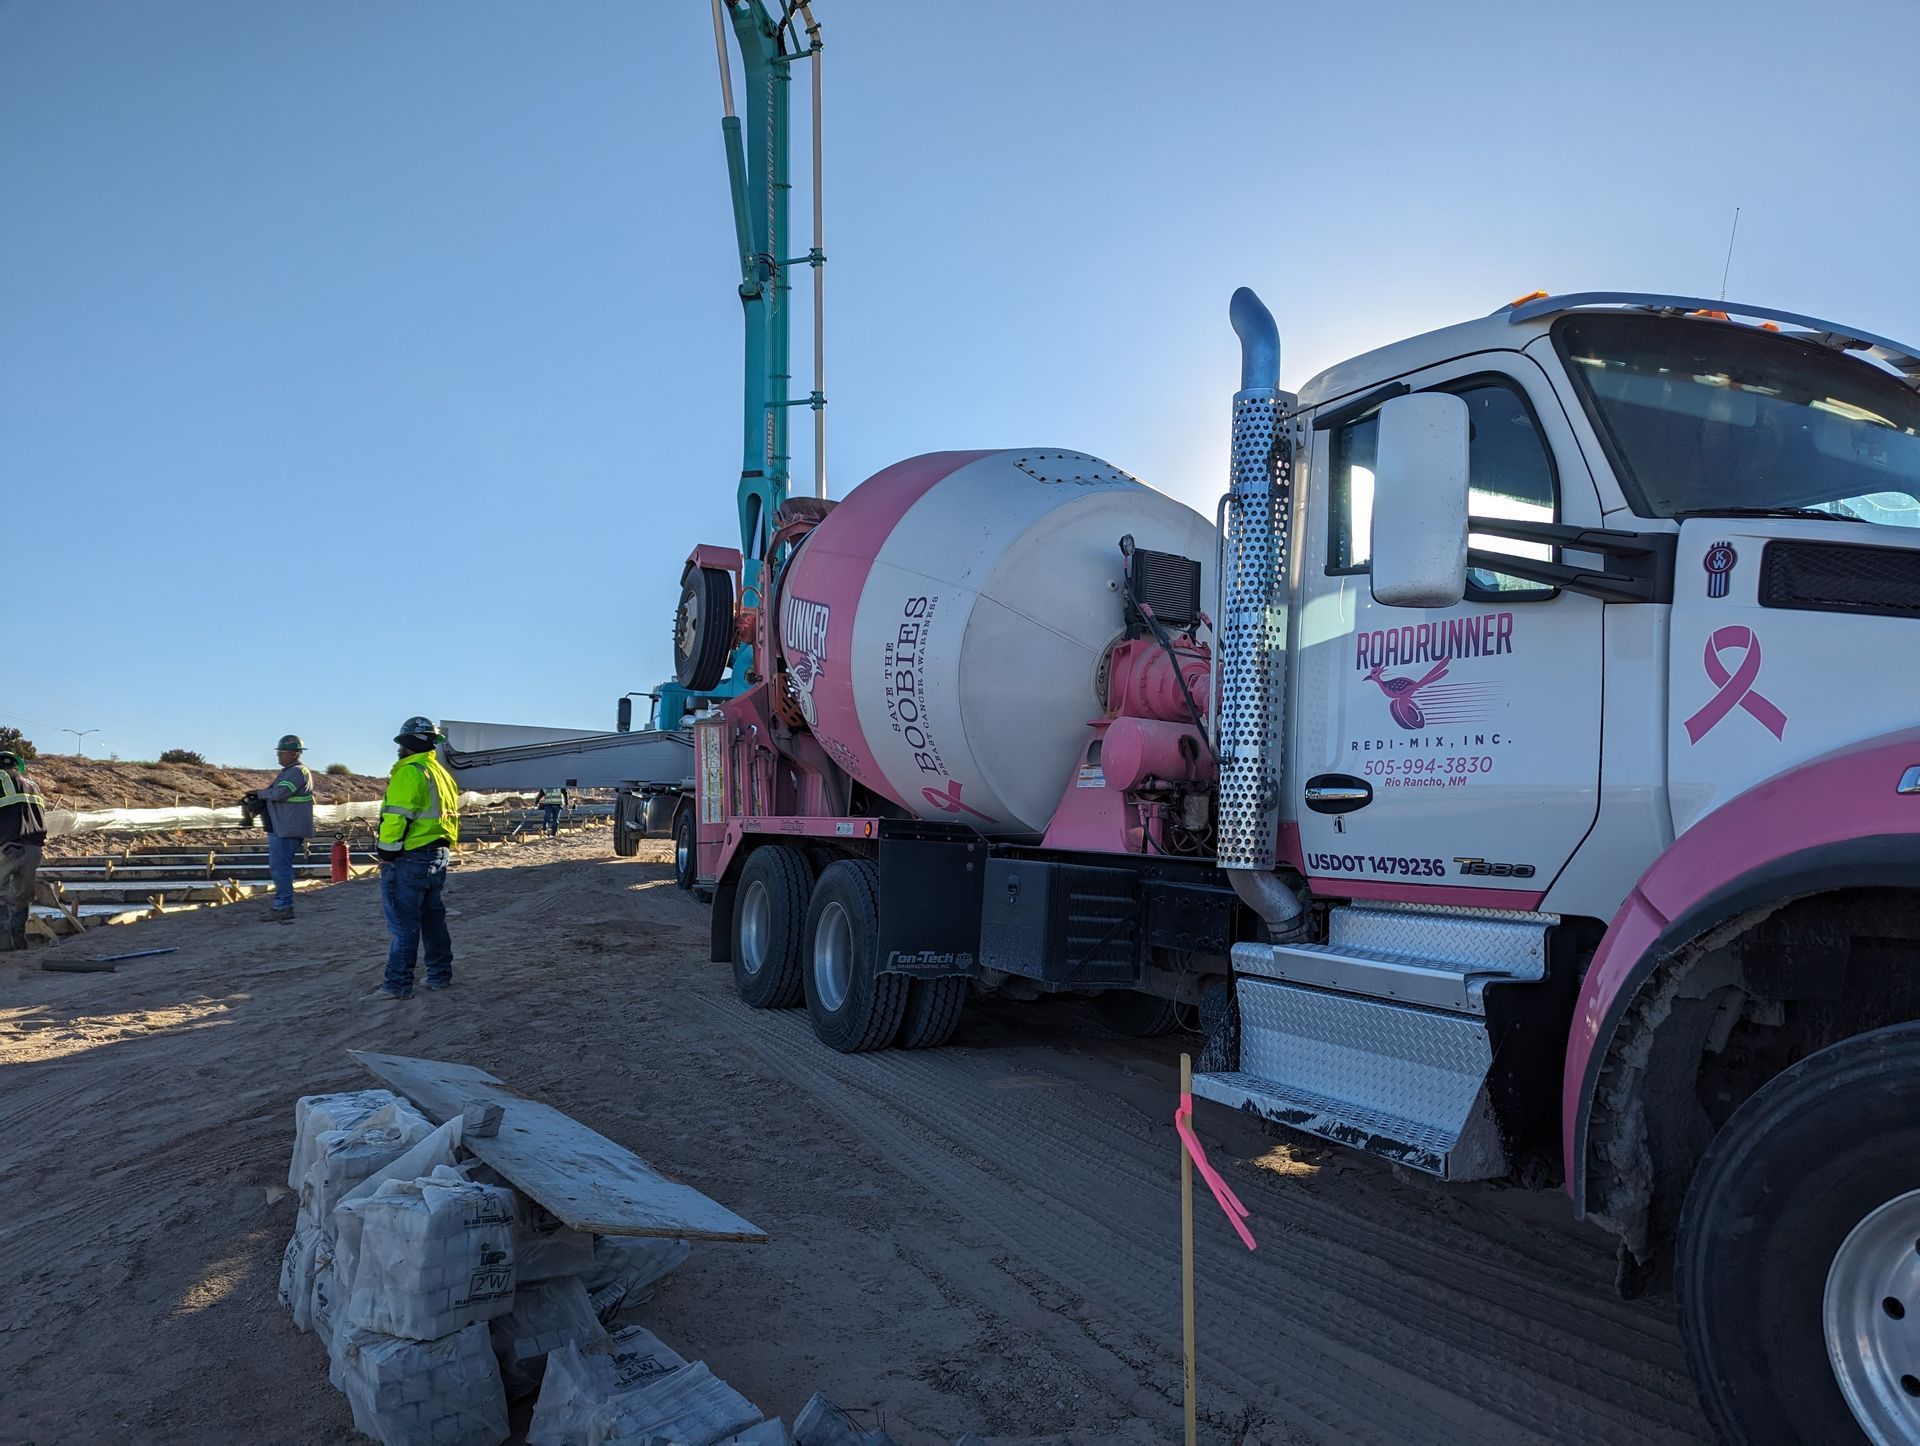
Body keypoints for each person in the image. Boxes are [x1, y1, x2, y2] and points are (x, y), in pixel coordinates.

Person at [372, 715, 460, 1000]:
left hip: (411, 856)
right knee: (433, 918)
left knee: (403, 923)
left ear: (406, 743)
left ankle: (397, 985)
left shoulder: (410, 771)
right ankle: (439, 975)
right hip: (438, 853)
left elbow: (398, 816)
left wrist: (386, 851)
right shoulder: (441, 774)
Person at [251, 734, 315, 923]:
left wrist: (260, 794)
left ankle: (283, 906)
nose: (279, 756)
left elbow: (281, 793)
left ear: (295, 753)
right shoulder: (289, 771)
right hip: (283, 826)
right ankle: (282, 905)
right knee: (279, 866)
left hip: (288, 828)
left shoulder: (297, 772)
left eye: (283, 752)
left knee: (280, 867)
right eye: (278, 752)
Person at [0, 749, 48, 951]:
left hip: (8, 848)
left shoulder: (1, 778)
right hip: (33, 850)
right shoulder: (33, 785)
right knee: (22, 897)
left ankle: (3, 944)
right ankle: (19, 942)